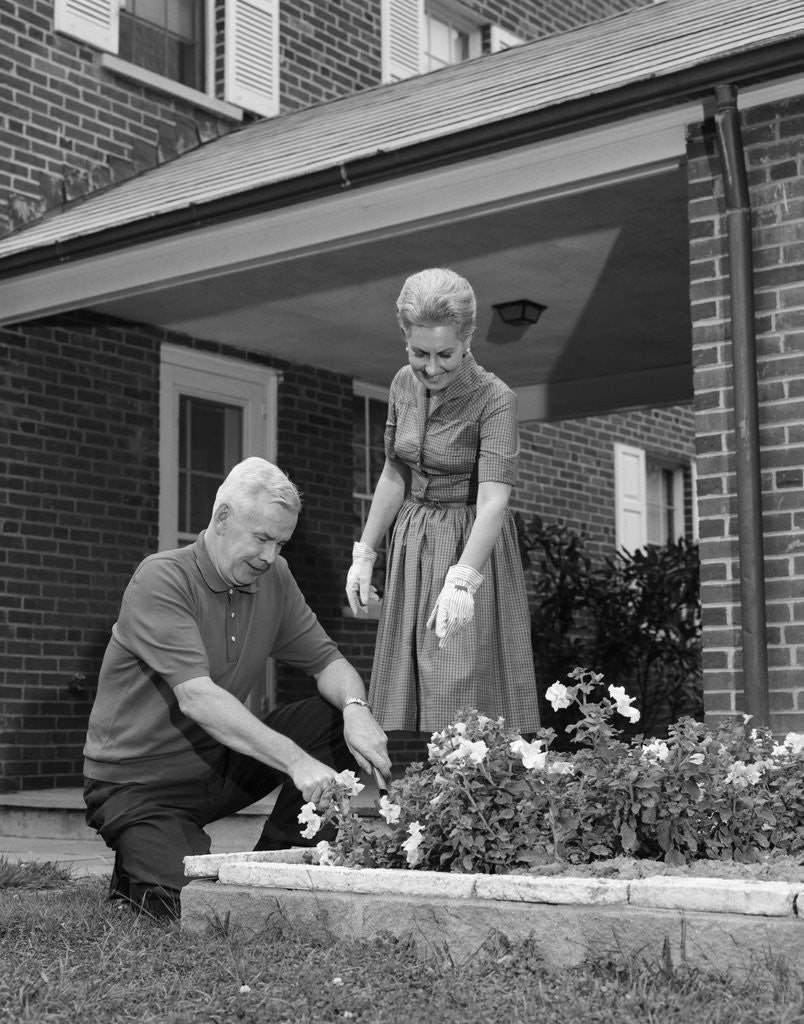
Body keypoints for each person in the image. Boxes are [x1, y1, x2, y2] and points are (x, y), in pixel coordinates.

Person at [84, 457, 390, 920]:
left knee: (331, 720)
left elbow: (328, 661)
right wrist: (296, 761)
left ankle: (286, 866)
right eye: (262, 538)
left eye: (280, 542)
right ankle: (144, 856)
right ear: (222, 518)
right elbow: (197, 698)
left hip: (215, 764)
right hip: (136, 783)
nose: (270, 556)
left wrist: (356, 708)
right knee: (202, 907)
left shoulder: (275, 578)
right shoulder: (162, 578)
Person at [346, 267, 540, 735]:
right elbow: (395, 470)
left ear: (468, 338)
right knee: (407, 683)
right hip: (414, 543)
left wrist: (463, 582)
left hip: (469, 544)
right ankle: (415, 797)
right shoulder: (401, 386)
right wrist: (365, 552)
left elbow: (494, 501)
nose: (431, 368)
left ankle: (469, 797)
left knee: (458, 681)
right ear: (405, 340)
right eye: (419, 353)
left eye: (445, 354)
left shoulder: (495, 399)